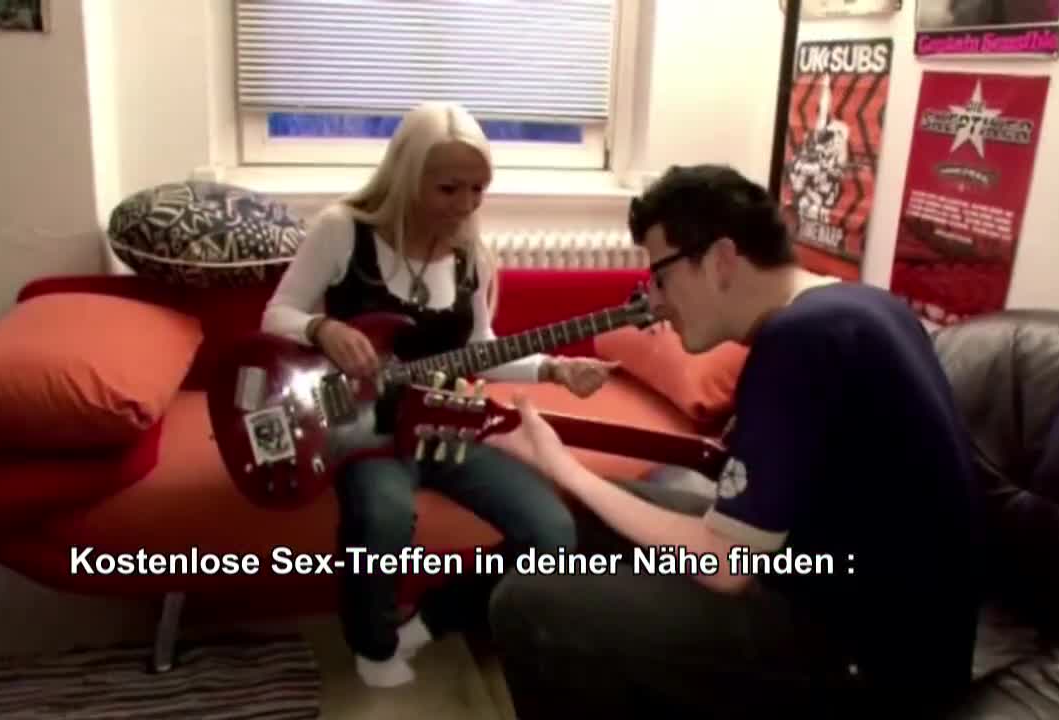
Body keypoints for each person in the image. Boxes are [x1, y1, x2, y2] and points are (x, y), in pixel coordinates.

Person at [486, 164, 984, 717]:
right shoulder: (860, 306)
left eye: (661, 276)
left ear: (722, 259)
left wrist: (560, 464)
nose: (655, 302)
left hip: (867, 653)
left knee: (524, 604)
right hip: (848, 585)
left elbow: (726, 566)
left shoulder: (800, 339)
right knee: (601, 512)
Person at [260, 101, 619, 688]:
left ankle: (430, 620)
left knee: (552, 532)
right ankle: (371, 642)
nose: (466, 205)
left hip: (445, 423)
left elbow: (482, 349)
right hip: (361, 421)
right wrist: (322, 329)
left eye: (478, 189)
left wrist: (555, 369)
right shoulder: (342, 229)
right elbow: (276, 314)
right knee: (383, 512)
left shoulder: (470, 255)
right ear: (406, 175)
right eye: (449, 188)